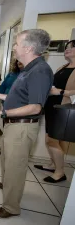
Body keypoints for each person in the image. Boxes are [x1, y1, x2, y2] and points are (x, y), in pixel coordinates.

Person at [0, 29, 53, 218]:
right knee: (7, 161)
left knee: (15, 166)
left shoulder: (40, 71)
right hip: (13, 125)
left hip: (22, 127)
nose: (14, 48)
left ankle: (10, 207)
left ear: (27, 48)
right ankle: (9, 184)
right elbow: (17, 97)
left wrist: (2, 112)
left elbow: (35, 107)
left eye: (17, 44)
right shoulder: (28, 69)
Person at [34, 40, 75, 183]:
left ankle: (60, 172)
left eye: (72, 47)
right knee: (52, 139)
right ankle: (53, 164)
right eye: (66, 47)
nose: (67, 49)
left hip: (64, 108)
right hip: (52, 106)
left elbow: (66, 91)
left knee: (52, 140)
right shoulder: (63, 67)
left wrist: (63, 91)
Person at [0, 59, 24, 154]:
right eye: (18, 60)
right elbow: (3, 86)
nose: (19, 62)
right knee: (6, 127)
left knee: (15, 129)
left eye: (21, 60)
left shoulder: (29, 74)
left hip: (20, 107)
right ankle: (3, 146)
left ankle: (11, 149)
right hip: (6, 105)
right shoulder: (12, 74)